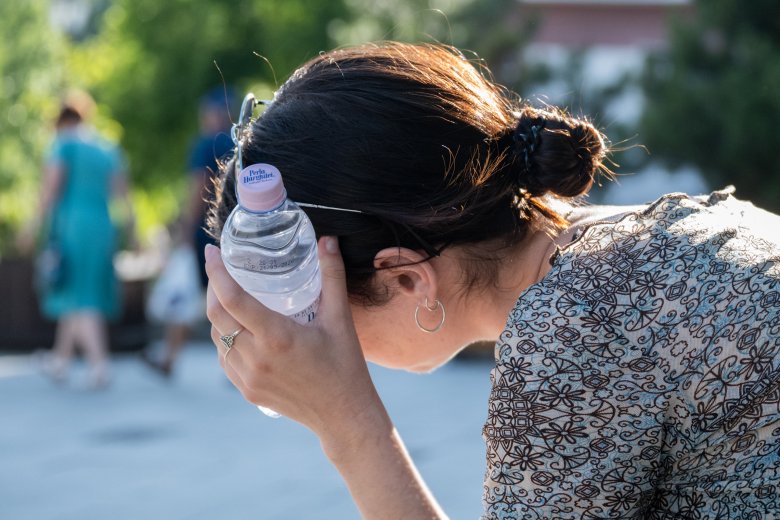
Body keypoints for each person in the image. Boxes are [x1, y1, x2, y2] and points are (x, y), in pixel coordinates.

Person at [202, 43, 780, 518]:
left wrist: (348, 426)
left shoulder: (569, 333)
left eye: (311, 310)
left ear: (407, 280)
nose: (318, 339)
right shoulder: (655, 235)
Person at [19, 91, 135, 389]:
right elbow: (122, 195)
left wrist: (31, 227)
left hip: (72, 227)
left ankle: (99, 366)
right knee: (77, 291)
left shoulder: (63, 145)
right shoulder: (106, 148)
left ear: (61, 119)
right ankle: (60, 361)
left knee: (80, 296)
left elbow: (50, 191)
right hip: (102, 226)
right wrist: (133, 233)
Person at [141, 88, 234, 378]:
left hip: (205, 232)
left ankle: (170, 357)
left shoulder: (205, 144)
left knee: (184, 297)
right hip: (235, 231)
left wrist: (184, 228)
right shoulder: (242, 142)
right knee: (231, 300)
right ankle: (235, 358)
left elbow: (198, 188)